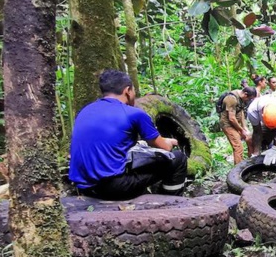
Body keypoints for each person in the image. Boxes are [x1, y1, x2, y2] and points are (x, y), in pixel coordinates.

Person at [69, 69, 187, 200]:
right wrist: (169, 141)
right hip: (113, 187)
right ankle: (172, 202)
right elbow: (164, 147)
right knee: (178, 159)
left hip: (83, 186)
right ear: (128, 90)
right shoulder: (134, 113)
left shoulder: (85, 111)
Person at [219, 87, 257, 164]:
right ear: (245, 94)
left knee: (249, 139)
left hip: (236, 124)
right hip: (228, 125)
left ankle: (252, 162)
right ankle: (238, 170)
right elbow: (231, 118)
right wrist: (241, 130)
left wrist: (244, 127)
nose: (249, 101)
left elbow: (241, 111)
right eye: (249, 98)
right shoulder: (231, 99)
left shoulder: (241, 98)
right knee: (238, 147)